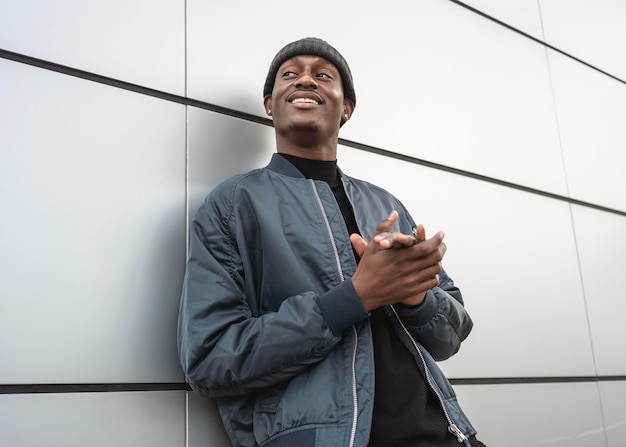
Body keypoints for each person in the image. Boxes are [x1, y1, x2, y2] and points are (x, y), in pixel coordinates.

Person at [178, 37, 486, 447]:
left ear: (346, 108)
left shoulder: (385, 204)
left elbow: (450, 336)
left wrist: (415, 297)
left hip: (445, 436)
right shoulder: (233, 204)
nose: (305, 79)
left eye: (322, 75)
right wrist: (355, 297)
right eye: (290, 74)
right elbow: (210, 358)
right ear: (270, 103)